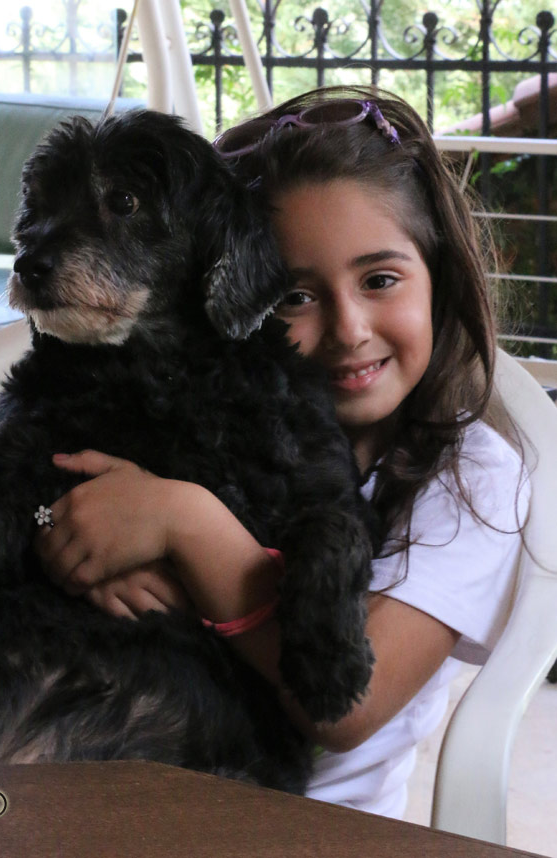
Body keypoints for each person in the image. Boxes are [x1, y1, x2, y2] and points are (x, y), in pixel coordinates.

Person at [32, 86, 530, 818]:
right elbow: (39, 487)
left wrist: (181, 524)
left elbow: (344, 705)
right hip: (109, 798)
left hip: (310, 833)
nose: (349, 327)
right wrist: (62, 541)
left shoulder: (471, 475)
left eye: (380, 279)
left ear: (441, 282)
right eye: (296, 296)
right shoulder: (193, 411)